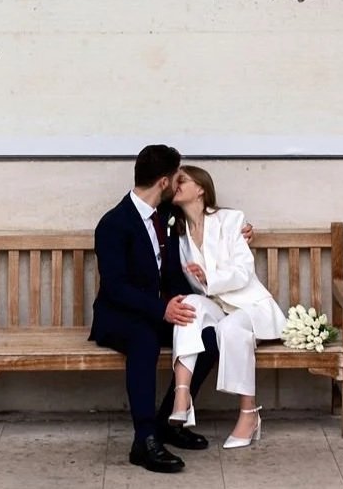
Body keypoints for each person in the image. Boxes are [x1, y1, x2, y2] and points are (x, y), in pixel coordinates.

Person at [90, 144, 216, 474]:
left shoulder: (166, 218)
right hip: (118, 316)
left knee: (208, 337)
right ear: (163, 182)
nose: (178, 184)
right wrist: (162, 310)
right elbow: (115, 287)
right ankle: (143, 441)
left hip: (156, 311)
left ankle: (166, 424)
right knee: (144, 340)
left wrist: (242, 231)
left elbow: (176, 266)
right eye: (176, 178)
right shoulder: (113, 224)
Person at [167, 164, 286, 449]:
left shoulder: (231, 220)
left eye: (182, 180)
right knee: (189, 305)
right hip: (217, 306)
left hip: (249, 307)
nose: (175, 185)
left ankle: (249, 413)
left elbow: (244, 271)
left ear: (201, 189)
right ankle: (182, 396)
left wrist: (211, 277)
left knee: (232, 328)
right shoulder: (178, 233)